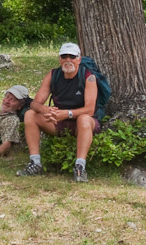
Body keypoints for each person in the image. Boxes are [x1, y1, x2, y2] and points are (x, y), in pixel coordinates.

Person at [17, 42, 99, 182]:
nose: (68, 60)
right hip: (58, 121)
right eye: (64, 56)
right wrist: (44, 109)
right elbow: (34, 103)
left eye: (72, 56)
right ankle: (35, 163)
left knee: (84, 119)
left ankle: (80, 167)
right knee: (30, 114)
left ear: (79, 59)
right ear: (59, 59)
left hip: (82, 123)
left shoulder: (88, 77)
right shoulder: (53, 75)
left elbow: (90, 109)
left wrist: (67, 114)